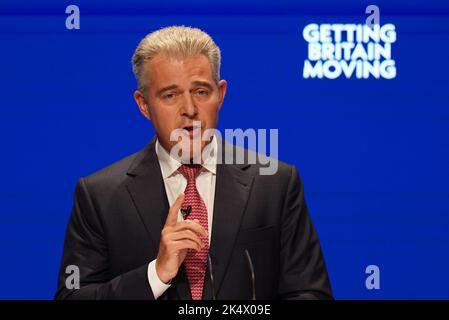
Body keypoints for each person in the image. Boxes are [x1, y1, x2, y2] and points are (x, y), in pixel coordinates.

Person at [55, 26, 333, 300]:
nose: (189, 109)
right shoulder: (100, 196)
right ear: (143, 104)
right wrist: (156, 274)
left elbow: (310, 293)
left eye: (200, 91)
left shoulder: (275, 183)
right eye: (170, 95)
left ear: (220, 94)